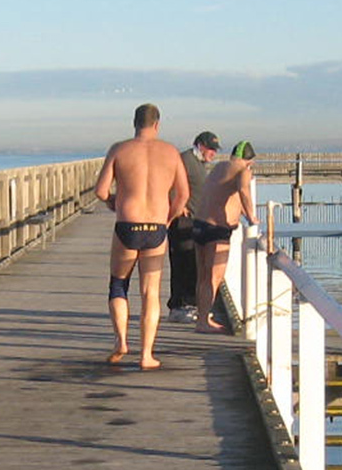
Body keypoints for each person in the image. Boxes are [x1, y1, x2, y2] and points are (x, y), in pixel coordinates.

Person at [92, 103, 190, 370]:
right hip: (156, 228)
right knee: (151, 293)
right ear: (157, 124)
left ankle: (120, 341)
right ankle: (146, 355)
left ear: (134, 123)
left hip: (127, 224)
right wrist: (168, 218)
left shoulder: (119, 149)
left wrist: (114, 202)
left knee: (118, 284)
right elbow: (183, 196)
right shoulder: (170, 152)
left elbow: (100, 190)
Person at [194, 137, 257, 333]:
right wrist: (252, 217)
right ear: (250, 161)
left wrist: (243, 212)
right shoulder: (244, 171)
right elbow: (244, 191)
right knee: (214, 277)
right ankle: (202, 322)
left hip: (199, 224)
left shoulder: (220, 167)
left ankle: (203, 317)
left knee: (203, 275)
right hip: (217, 229)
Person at [166, 131, 220, 321]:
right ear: (200, 145)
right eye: (210, 149)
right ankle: (179, 306)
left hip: (196, 221)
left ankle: (190, 304)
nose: (213, 153)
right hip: (183, 220)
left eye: (215, 150)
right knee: (182, 263)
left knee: (192, 263)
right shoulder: (185, 159)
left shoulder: (198, 164)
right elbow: (170, 183)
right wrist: (178, 207)